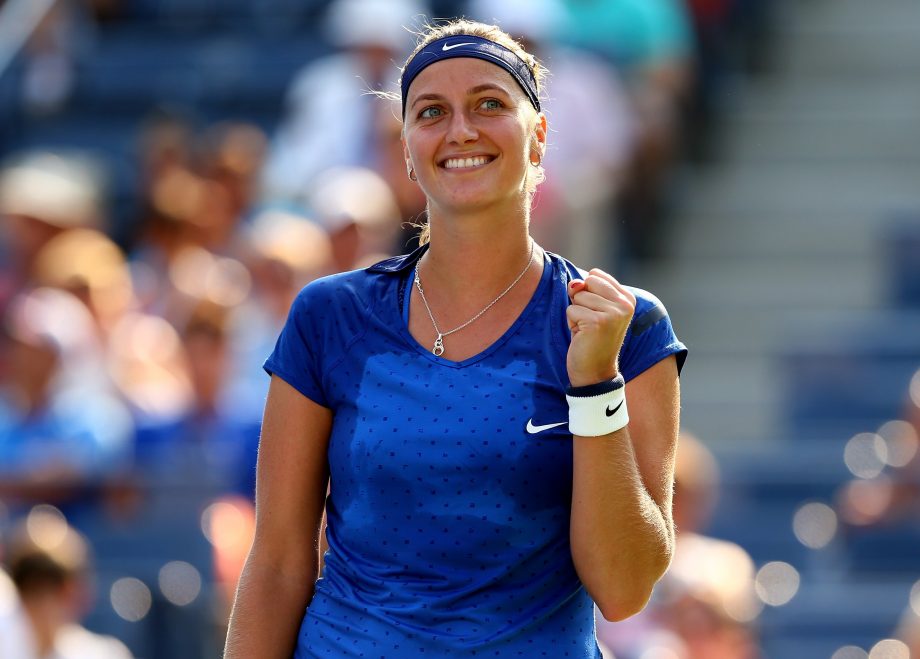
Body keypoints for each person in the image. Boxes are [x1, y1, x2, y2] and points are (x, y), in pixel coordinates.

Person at [224, 18, 687, 658]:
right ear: (408, 150)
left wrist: (596, 386)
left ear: (539, 138)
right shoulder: (328, 316)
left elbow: (624, 588)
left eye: (489, 104)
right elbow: (276, 565)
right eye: (431, 112)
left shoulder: (623, 325)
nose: (460, 131)